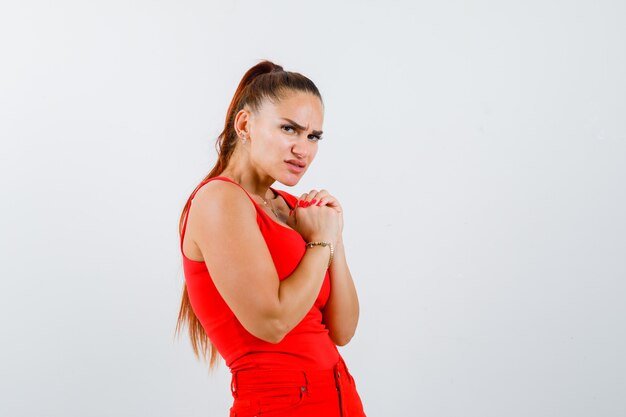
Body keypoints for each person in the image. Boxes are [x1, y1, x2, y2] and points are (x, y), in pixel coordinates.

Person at [175, 60, 366, 417]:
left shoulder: (295, 209)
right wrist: (319, 242)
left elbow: (343, 330)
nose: (303, 150)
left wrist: (334, 240)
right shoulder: (220, 199)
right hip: (281, 405)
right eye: (289, 129)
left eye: (313, 137)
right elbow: (272, 323)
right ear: (245, 124)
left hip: (342, 399)